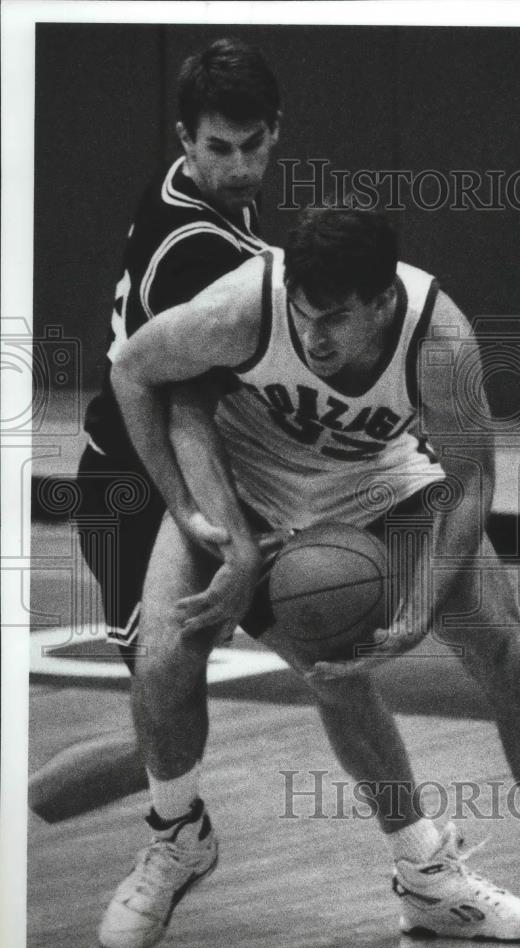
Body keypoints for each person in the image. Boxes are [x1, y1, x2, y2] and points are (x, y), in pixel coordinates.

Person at [100, 208, 520, 948]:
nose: (314, 338)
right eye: (305, 316)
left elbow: (472, 477)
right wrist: (196, 515)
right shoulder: (244, 305)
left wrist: (418, 606)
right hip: (246, 478)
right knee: (163, 654)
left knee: (507, 649)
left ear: (382, 303)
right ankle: (179, 834)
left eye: (337, 320)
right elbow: (135, 373)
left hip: (380, 480)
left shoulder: (439, 338)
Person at [28, 37, 282, 820]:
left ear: (275, 130)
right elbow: (172, 407)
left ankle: (422, 856)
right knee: (166, 712)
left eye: (251, 146)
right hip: (129, 485)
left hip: (196, 466)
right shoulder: (199, 250)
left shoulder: (190, 190)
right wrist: (193, 514)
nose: (238, 166)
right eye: (218, 149)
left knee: (329, 662)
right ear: (184, 141)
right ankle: (45, 815)